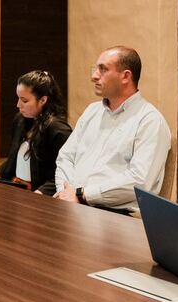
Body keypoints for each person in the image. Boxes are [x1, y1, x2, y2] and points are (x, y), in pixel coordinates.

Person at [54, 46, 171, 212]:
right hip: (72, 203)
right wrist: (65, 192)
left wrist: (82, 194)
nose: (94, 76)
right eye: (95, 69)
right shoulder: (92, 111)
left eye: (103, 70)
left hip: (115, 214)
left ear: (126, 76)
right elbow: (65, 157)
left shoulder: (150, 121)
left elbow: (139, 181)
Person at [0, 70, 72, 195]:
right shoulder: (20, 120)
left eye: (24, 101)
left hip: (42, 197)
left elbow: (67, 171)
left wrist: (40, 193)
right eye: (18, 98)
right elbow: (15, 158)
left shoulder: (58, 129)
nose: (18, 105)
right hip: (18, 189)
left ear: (43, 100)